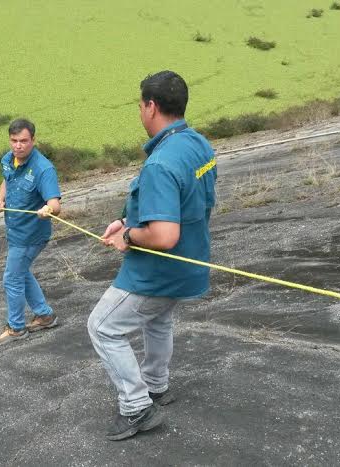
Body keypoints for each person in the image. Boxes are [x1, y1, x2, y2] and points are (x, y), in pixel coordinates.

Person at [87, 71, 217, 440]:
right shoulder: (197, 145)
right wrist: (126, 219)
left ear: (151, 106)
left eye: (140, 106)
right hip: (189, 265)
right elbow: (182, 203)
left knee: (102, 327)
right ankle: (156, 385)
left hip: (157, 272)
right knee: (156, 322)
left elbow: (163, 234)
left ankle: (136, 406)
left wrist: (128, 235)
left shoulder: (160, 163)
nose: (141, 113)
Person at [0, 118, 62, 346]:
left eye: (23, 141)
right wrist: (0, 200)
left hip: (31, 235)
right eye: (14, 141)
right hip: (15, 230)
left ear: (33, 140)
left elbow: (56, 204)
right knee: (20, 272)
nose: (18, 146)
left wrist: (47, 209)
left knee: (11, 278)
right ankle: (45, 315)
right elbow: (6, 180)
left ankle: (16, 328)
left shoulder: (43, 169)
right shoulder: (8, 159)